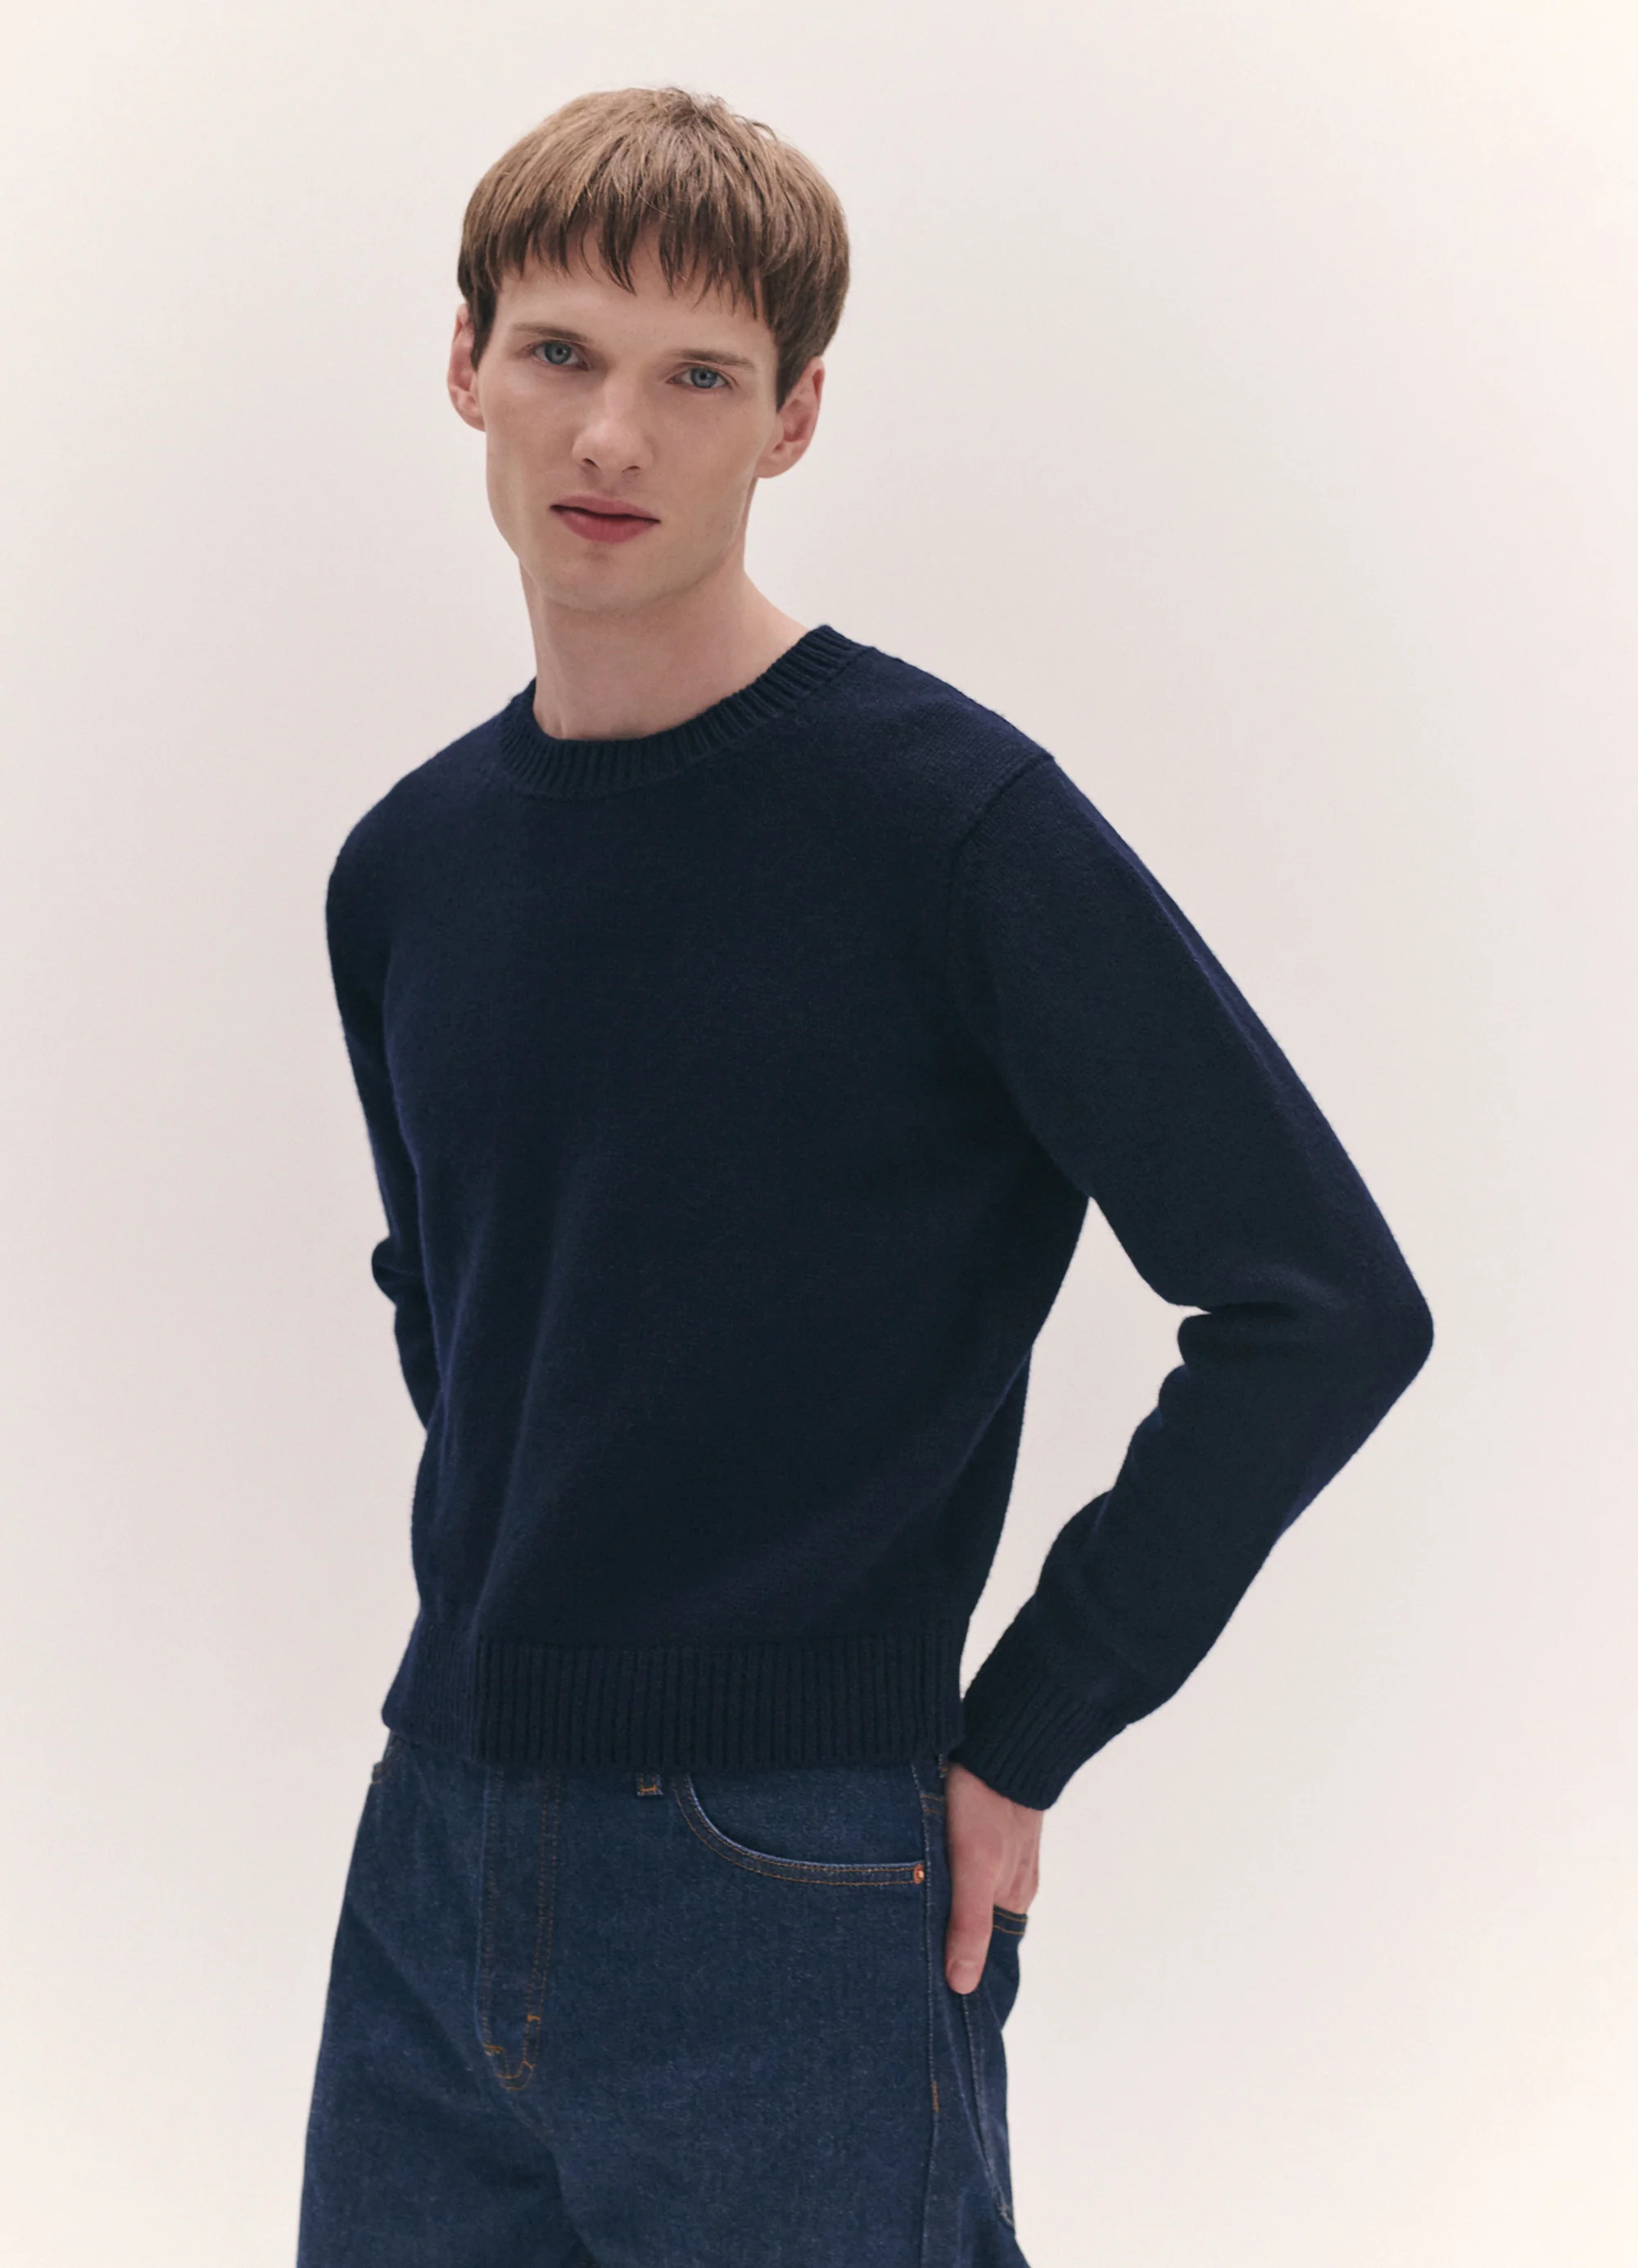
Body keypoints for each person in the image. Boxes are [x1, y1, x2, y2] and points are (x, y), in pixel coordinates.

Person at [296, 84, 1433, 2268]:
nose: (613, 435)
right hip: (433, 1837)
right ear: (465, 366)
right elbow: (459, 1314)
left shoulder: (947, 829)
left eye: (698, 377)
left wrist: (1026, 1736)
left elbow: (1320, 1308)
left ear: (794, 417)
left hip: (794, 1867)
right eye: (561, 352)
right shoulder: (407, 868)